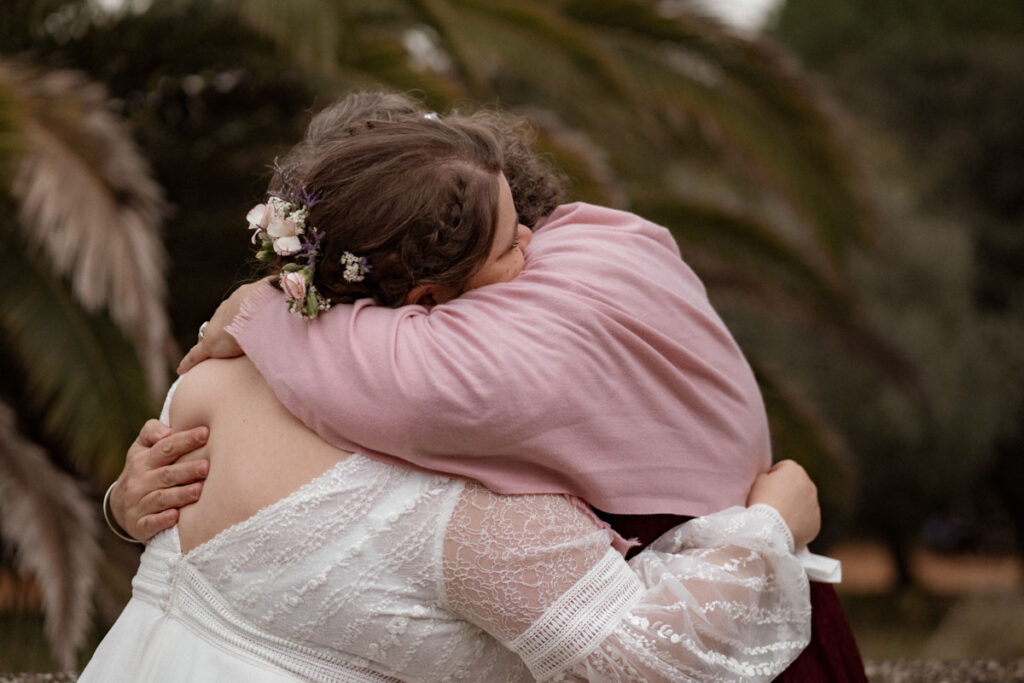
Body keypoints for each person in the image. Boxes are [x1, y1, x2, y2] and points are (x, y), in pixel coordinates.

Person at [82, 94, 820, 681]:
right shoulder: (457, 492)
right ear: (431, 295)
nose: (535, 242)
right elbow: (654, 655)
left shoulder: (210, 374)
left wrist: (124, 503)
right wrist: (773, 526)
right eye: (509, 242)